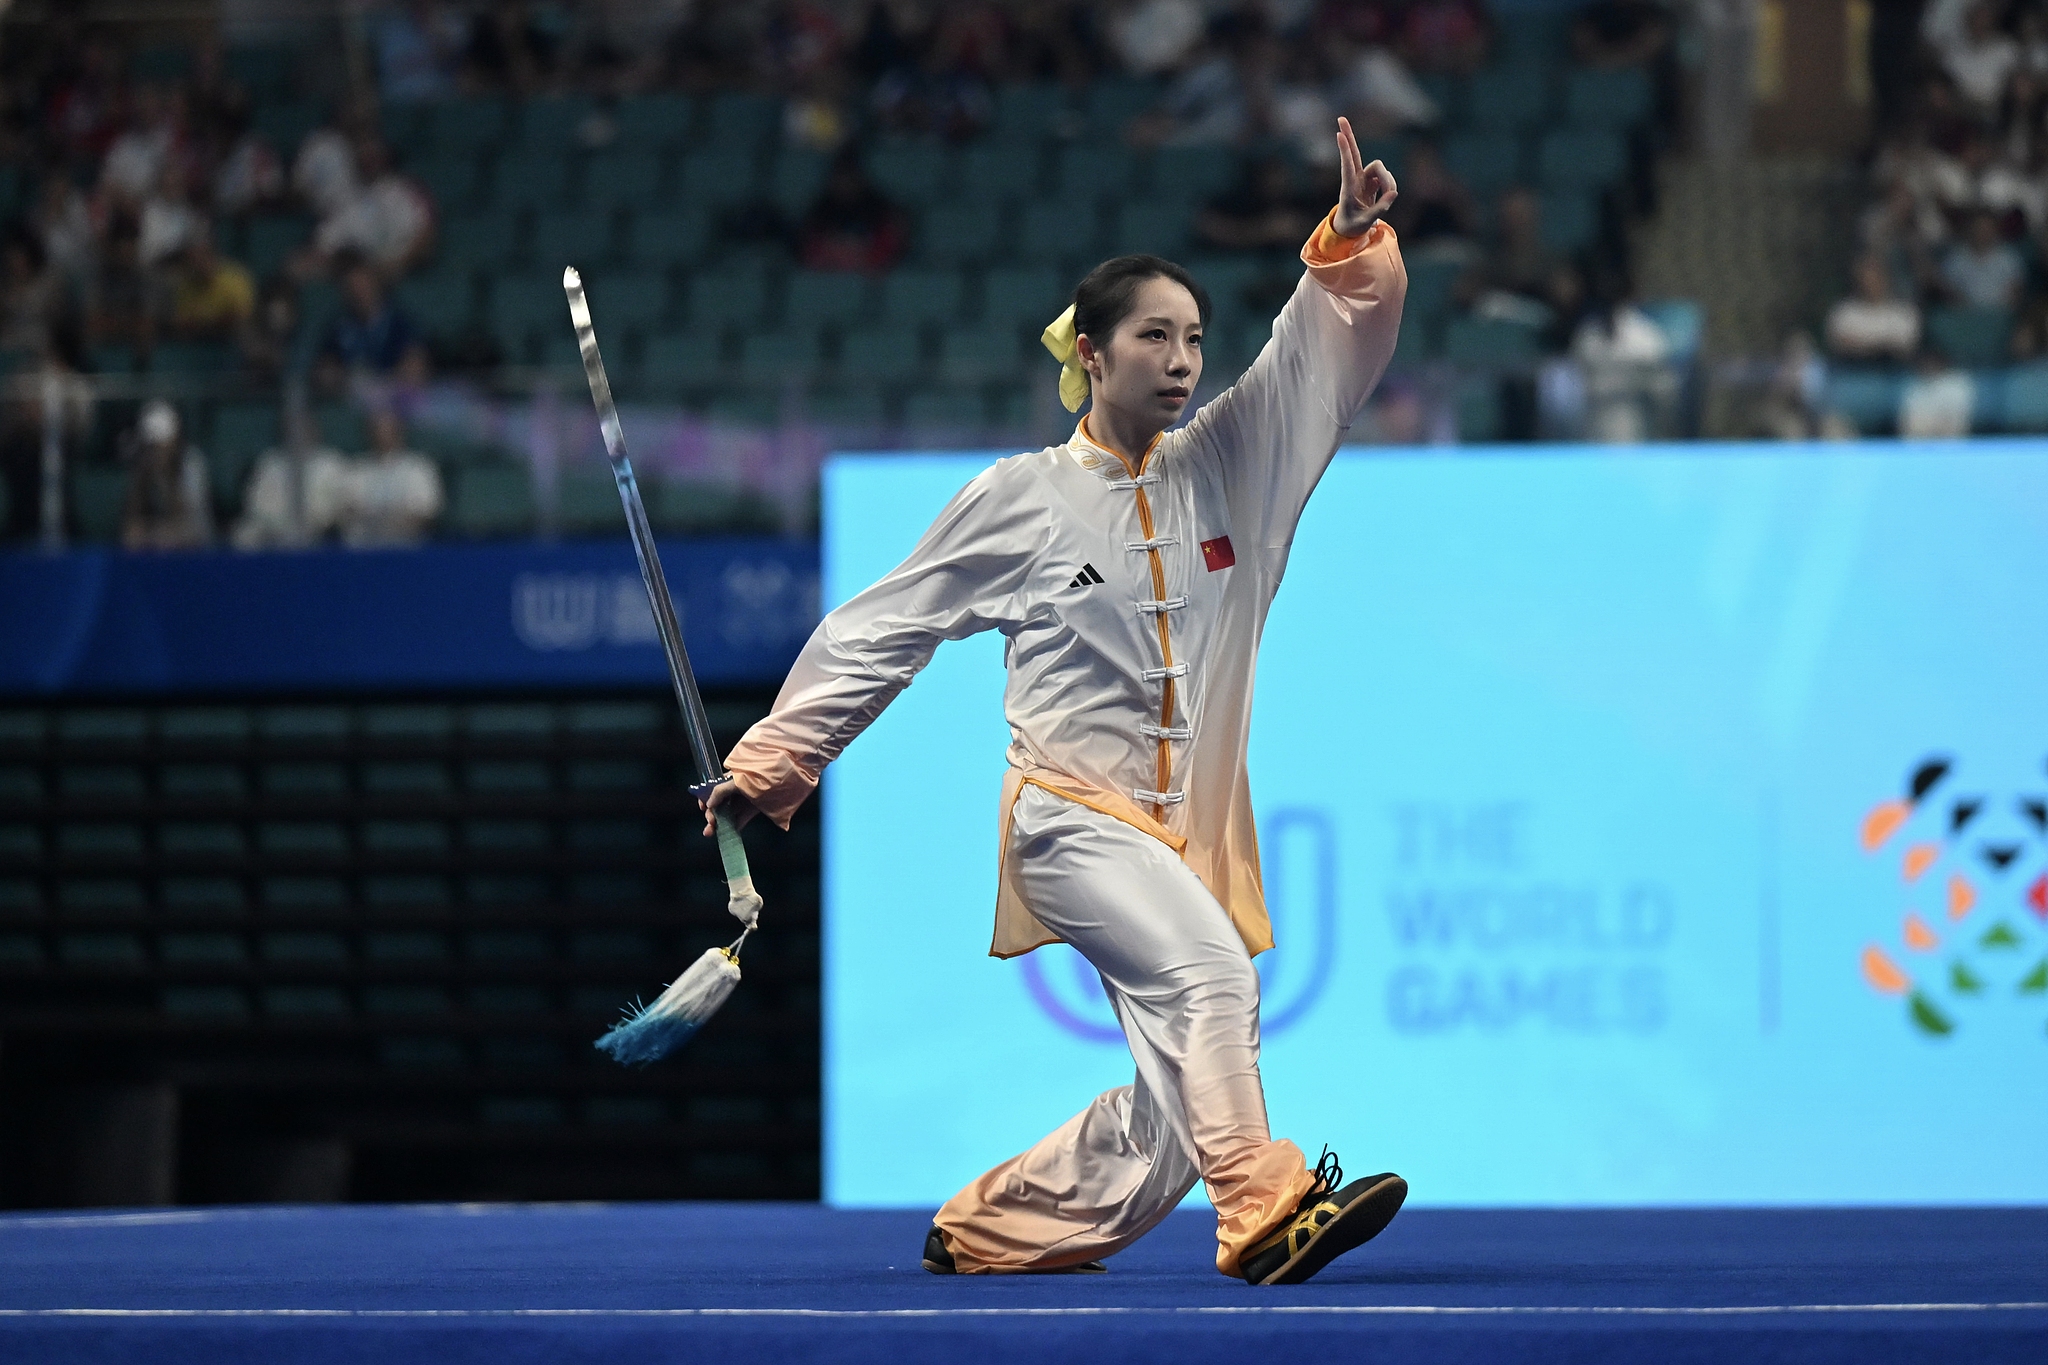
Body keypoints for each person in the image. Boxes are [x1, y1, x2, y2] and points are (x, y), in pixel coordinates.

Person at [704, 117, 1410, 1285]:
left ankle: (990, 1226)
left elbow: (1312, 356)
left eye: (1192, 338)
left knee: (1176, 1107)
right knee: (1212, 978)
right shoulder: (1021, 498)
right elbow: (883, 625)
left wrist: (1343, 243)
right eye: (1153, 336)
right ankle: (1267, 1209)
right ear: (1089, 352)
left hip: (1183, 838)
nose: (1182, 360)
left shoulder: (1235, 461)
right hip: (1065, 819)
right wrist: (778, 756)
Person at [232, 405, 350, 550]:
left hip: (321, 530)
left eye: (304, 428)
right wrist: (280, 524)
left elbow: (340, 502)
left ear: (315, 430)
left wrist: (317, 521)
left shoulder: (332, 462)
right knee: (243, 535)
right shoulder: (270, 463)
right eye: (293, 428)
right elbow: (256, 504)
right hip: (275, 530)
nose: (299, 433)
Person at [336, 410, 443, 547]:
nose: (382, 435)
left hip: (407, 548)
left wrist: (392, 521)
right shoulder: (356, 468)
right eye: (377, 430)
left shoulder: (419, 467)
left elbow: (426, 511)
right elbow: (346, 510)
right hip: (361, 549)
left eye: (387, 429)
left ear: (399, 433)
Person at [121, 399, 213, 550]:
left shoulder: (191, 462)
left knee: (174, 536)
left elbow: (191, 518)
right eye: (153, 446)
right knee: (133, 534)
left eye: (162, 445)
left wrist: (168, 477)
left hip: (196, 538)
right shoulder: (143, 462)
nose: (158, 452)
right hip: (156, 533)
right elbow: (133, 511)